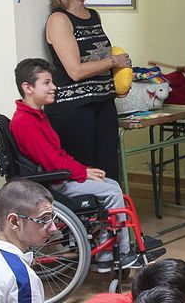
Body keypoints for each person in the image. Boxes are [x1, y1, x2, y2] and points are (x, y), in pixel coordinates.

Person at [8, 57, 130, 266]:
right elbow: (52, 162)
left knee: (111, 184)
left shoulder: (37, 115)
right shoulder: (24, 122)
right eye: (46, 83)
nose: (54, 87)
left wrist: (84, 169)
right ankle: (113, 254)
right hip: (52, 183)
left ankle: (113, 246)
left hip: (57, 177)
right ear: (27, 87)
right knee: (112, 192)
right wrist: (83, 173)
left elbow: (58, 155)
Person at [45, 0, 129, 182]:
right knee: (83, 174)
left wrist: (117, 76)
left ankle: (109, 217)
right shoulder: (59, 20)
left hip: (103, 102)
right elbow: (75, 70)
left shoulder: (93, 16)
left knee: (108, 171)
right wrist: (114, 61)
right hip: (75, 109)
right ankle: (85, 218)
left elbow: (97, 58)